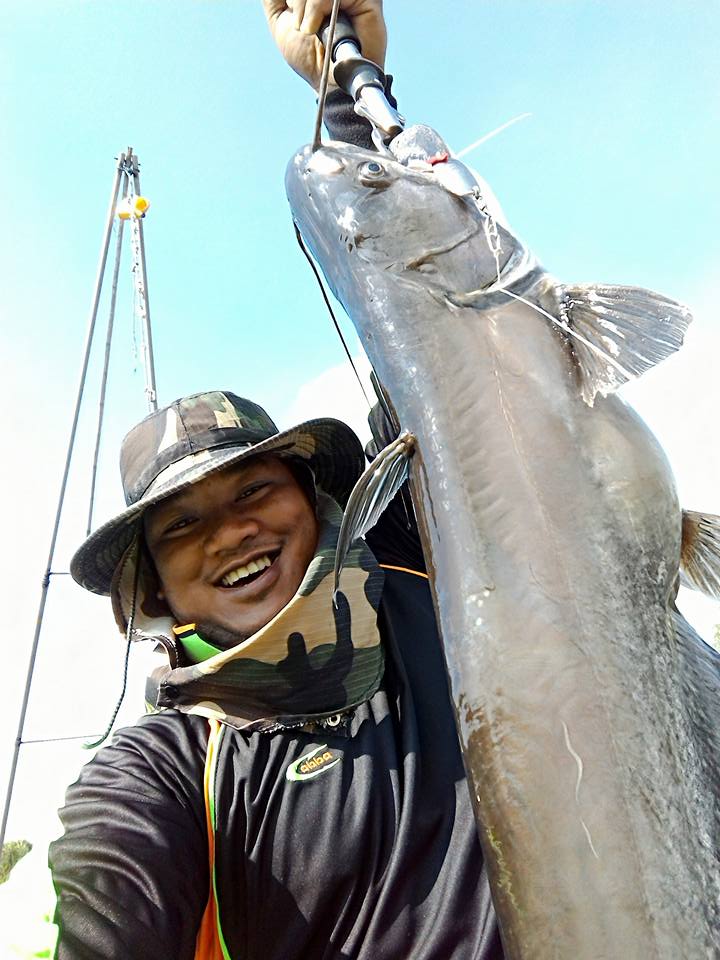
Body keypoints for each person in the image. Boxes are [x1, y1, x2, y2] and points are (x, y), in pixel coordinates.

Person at [49, 3, 505, 958]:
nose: (229, 533)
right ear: (153, 590)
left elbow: (432, 349)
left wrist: (343, 94)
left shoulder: (419, 571)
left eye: (252, 490)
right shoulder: (169, 767)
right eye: (179, 529)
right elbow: (109, 891)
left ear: (315, 493)